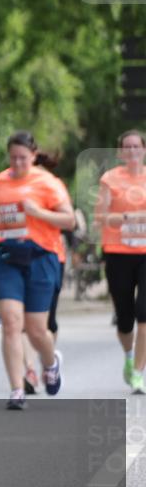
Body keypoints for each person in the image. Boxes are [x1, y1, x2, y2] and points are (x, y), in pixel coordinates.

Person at [0, 131, 75, 410]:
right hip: (6, 256)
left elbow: (69, 220)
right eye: (13, 158)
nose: (17, 163)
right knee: (11, 322)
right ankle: (17, 390)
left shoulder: (48, 183)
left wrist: (38, 212)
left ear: (34, 156)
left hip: (40, 257)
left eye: (23, 158)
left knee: (37, 330)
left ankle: (50, 363)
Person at [95, 129, 146, 394]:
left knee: (144, 313)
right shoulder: (110, 179)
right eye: (127, 147)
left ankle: (138, 372)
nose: (132, 151)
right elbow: (100, 217)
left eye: (137, 146)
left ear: (144, 150)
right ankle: (129, 356)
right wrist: (127, 218)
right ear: (120, 152)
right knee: (125, 318)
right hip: (118, 252)